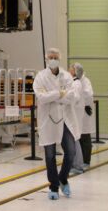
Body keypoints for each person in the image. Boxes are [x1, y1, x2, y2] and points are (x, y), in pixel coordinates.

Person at [33, 48, 78, 200]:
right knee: (50, 155)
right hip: (48, 120)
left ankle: (63, 178)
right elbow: (41, 97)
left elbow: (72, 96)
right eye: (50, 57)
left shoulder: (66, 76)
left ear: (59, 58)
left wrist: (52, 95)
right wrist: (59, 93)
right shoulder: (40, 76)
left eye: (55, 57)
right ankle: (53, 186)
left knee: (71, 152)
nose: (53, 59)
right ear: (47, 59)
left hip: (65, 118)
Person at [69, 63, 94, 172]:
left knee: (84, 137)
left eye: (70, 68)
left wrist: (84, 104)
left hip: (83, 112)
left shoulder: (85, 81)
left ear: (75, 71)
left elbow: (88, 95)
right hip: (77, 111)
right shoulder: (74, 81)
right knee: (77, 136)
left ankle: (85, 161)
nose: (69, 70)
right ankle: (78, 162)